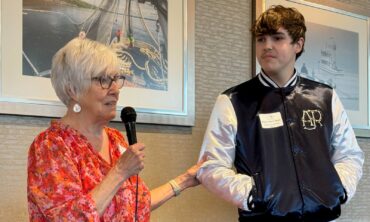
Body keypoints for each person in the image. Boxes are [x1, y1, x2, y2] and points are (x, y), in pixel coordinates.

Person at [197, 5, 364, 222]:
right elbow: (210, 167)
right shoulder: (233, 100)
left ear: (298, 44)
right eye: (261, 39)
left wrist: (338, 189)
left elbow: (350, 155)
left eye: (277, 38)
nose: (267, 46)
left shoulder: (325, 97)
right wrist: (254, 194)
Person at [27, 34, 202, 221]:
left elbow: (135, 205)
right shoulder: (51, 146)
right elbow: (70, 218)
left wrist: (185, 180)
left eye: (116, 79)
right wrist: (119, 171)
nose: (115, 89)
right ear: (73, 90)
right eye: (103, 80)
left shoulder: (114, 139)